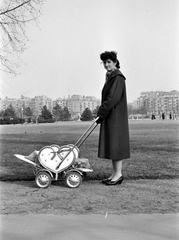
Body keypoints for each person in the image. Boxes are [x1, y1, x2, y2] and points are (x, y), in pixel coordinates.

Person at [96, 51, 130, 185]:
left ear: (115, 62)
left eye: (109, 62)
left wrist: (101, 112)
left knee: (116, 145)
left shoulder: (118, 77)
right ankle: (115, 173)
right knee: (113, 144)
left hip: (115, 116)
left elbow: (113, 98)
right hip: (112, 115)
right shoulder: (111, 76)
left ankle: (118, 175)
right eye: (104, 62)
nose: (106, 65)